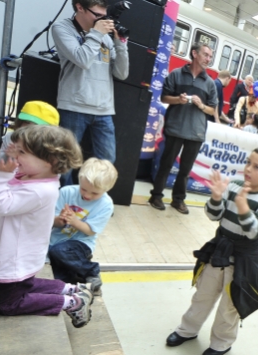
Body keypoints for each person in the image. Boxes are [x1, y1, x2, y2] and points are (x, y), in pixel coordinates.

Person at [164, 148, 258, 355]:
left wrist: (244, 209)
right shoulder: (234, 186)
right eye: (248, 163)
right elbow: (212, 215)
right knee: (203, 294)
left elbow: (256, 231)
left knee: (230, 305)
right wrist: (216, 198)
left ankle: (221, 343)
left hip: (244, 260)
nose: (248, 169)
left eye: (256, 167)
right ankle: (187, 330)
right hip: (220, 251)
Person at [0, 126, 91, 327]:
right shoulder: (23, 175)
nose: (12, 153)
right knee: (24, 286)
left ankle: (73, 302)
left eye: (21, 152)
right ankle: (71, 289)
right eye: (14, 148)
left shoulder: (40, 190)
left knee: (6, 302)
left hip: (15, 257)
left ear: (49, 161)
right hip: (10, 253)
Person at [51, 0, 129, 187]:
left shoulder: (105, 37)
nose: (102, 19)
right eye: (97, 15)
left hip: (104, 109)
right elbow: (82, 59)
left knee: (107, 161)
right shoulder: (63, 28)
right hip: (74, 106)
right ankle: (63, 203)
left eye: (104, 15)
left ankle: (91, 201)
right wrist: (96, 33)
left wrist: (120, 43)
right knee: (66, 160)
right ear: (79, 7)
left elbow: (122, 73)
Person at [148, 43, 218, 214]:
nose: (208, 59)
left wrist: (201, 106)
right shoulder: (176, 75)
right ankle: (156, 196)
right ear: (194, 53)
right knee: (166, 165)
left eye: (210, 56)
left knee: (185, 170)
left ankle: (178, 200)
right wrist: (177, 100)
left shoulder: (210, 83)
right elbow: (164, 97)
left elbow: (212, 109)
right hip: (175, 128)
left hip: (196, 133)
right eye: (205, 55)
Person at [48, 158, 117, 294]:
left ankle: (91, 270)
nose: (87, 195)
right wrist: (60, 220)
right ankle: (76, 278)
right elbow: (50, 221)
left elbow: (91, 231)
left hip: (81, 242)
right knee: (57, 276)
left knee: (59, 251)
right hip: (54, 241)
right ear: (79, 180)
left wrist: (74, 221)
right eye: (84, 189)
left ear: (106, 189)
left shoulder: (106, 204)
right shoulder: (66, 192)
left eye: (94, 193)